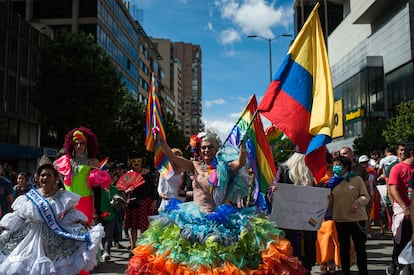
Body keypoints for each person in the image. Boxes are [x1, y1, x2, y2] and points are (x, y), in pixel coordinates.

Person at [126, 131, 306, 274]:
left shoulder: (225, 168)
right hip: (193, 219)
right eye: (203, 147)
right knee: (189, 260)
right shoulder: (194, 165)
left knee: (218, 261)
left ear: (216, 148)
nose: (206, 151)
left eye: (210, 147)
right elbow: (174, 159)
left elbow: (241, 161)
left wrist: (243, 145)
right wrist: (162, 143)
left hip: (222, 219)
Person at [0, 162, 104, 274]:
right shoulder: (29, 197)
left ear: (55, 179)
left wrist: (79, 220)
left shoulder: (63, 196)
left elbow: (70, 212)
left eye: (49, 175)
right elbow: (19, 215)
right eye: (42, 175)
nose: (45, 178)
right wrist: (5, 225)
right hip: (29, 236)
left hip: (54, 237)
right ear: (38, 178)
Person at [54, 127, 111, 225]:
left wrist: (98, 208)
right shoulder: (66, 160)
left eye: (82, 143)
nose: (79, 146)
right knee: (68, 227)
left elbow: (96, 187)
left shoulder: (93, 161)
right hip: (69, 200)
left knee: (84, 228)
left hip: (85, 199)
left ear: (87, 145)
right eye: (76, 143)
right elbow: (58, 175)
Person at [329, 156, 370, 275]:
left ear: (345, 167)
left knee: (360, 247)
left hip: (357, 219)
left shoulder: (356, 179)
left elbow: (365, 196)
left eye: (338, 164)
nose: (335, 167)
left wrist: (358, 202)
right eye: (334, 165)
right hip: (340, 219)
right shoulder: (332, 182)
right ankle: (345, 271)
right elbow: (329, 203)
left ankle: (363, 271)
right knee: (344, 248)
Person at [279, 151, 317, 274]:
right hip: (290, 225)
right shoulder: (284, 173)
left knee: (303, 259)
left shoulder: (310, 176)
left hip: (306, 224)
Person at [387, 144, 414, 275]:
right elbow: (392, 188)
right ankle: (396, 263)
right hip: (403, 209)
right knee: (402, 238)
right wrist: (404, 207)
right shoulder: (397, 168)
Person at [124, 152, 157, 252]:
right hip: (133, 202)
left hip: (146, 201)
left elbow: (153, 189)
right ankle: (133, 247)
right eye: (134, 164)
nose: (136, 166)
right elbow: (122, 189)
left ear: (141, 163)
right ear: (131, 163)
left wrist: (154, 201)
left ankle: (143, 248)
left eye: (138, 163)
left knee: (144, 226)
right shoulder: (128, 174)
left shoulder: (147, 174)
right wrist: (126, 191)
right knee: (133, 226)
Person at [97, 162, 120, 262]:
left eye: (113, 174)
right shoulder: (98, 189)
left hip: (112, 214)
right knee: (102, 234)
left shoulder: (115, 189)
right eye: (109, 173)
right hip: (100, 213)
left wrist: (118, 203)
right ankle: (104, 251)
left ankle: (107, 252)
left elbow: (120, 203)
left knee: (109, 234)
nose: (111, 176)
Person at [157, 148, 186, 212]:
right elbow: (160, 185)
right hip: (168, 199)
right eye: (174, 156)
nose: (176, 158)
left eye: (179, 156)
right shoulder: (164, 170)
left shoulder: (185, 170)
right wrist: (161, 194)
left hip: (181, 200)